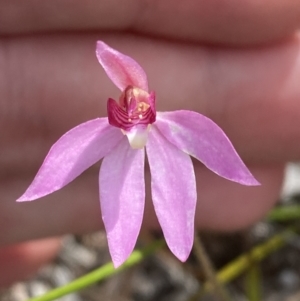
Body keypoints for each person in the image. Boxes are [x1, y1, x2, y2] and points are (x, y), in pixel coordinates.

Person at [1, 0, 300, 287]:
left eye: (138, 105)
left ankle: (187, 257)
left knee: (176, 205)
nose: (133, 115)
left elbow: (221, 155)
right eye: (127, 107)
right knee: (122, 219)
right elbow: (57, 169)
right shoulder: (97, 136)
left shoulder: (184, 128)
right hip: (119, 145)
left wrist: (239, 173)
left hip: (164, 145)